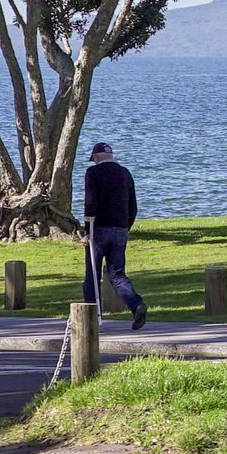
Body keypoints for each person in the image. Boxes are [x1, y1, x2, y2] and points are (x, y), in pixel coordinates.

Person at [82, 141, 148, 330]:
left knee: (92, 275)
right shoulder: (125, 173)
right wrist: (125, 227)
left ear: (95, 158)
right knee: (117, 274)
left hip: (99, 229)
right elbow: (133, 206)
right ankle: (136, 305)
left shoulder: (92, 173)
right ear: (111, 156)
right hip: (120, 229)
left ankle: (90, 318)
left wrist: (87, 231)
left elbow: (90, 202)